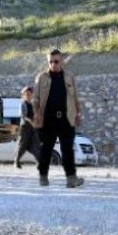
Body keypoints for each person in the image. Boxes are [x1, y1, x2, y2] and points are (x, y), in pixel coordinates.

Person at [32, 49, 84, 188]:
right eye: (51, 62)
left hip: (66, 118)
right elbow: (35, 98)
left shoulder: (69, 77)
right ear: (48, 62)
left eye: (56, 61)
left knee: (67, 149)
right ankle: (43, 177)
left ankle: (71, 179)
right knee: (46, 149)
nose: (53, 64)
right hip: (48, 119)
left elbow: (75, 97)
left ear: (61, 61)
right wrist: (36, 113)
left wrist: (78, 114)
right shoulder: (41, 77)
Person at [14, 85, 41, 169]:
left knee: (36, 145)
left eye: (30, 94)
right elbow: (23, 116)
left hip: (34, 127)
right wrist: (31, 122)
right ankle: (16, 161)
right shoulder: (23, 104)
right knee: (22, 145)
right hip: (25, 127)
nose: (28, 95)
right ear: (23, 95)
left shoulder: (33, 104)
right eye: (26, 94)